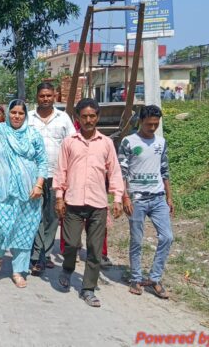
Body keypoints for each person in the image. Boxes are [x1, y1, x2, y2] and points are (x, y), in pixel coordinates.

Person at [54, 98, 124, 307]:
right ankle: (67, 269)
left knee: (95, 248)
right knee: (71, 243)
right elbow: (61, 171)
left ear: (97, 117)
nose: (88, 120)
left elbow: (114, 172)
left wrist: (117, 198)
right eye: (84, 116)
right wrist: (59, 197)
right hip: (73, 202)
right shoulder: (69, 142)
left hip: (98, 204)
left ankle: (88, 288)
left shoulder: (106, 143)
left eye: (92, 116)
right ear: (77, 117)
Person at [0, 100, 47, 288]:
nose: (17, 116)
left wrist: (39, 185)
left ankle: (18, 270)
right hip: (2, 191)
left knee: (25, 230)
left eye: (21, 113)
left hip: (29, 192)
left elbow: (42, 162)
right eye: (13, 112)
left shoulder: (33, 135)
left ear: (25, 115)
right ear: (8, 114)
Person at [119, 105, 174, 299]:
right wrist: (125, 197)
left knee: (167, 237)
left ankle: (154, 278)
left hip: (158, 198)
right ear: (141, 121)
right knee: (136, 240)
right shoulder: (128, 142)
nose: (152, 128)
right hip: (137, 199)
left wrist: (169, 197)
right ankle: (135, 278)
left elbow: (164, 170)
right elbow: (121, 172)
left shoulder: (161, 142)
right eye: (149, 124)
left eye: (156, 124)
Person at [27, 83, 76, 276]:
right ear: (37, 97)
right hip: (33, 176)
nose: (45, 99)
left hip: (57, 175)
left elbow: (72, 145)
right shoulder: (29, 117)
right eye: (42, 96)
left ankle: (45, 253)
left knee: (53, 216)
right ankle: (37, 254)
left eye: (49, 95)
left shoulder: (63, 118)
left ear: (54, 96)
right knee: (35, 215)